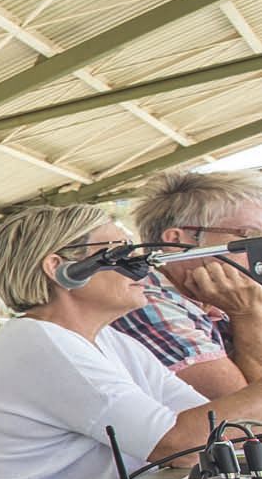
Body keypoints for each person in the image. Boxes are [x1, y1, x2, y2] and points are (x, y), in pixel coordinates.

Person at [0, 203, 262, 479]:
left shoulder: (113, 343)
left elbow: (207, 435)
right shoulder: (41, 343)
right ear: (61, 268)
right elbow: (174, 442)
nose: (143, 268)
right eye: (120, 252)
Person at [110, 170, 262, 397]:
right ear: (177, 241)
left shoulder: (219, 299)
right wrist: (248, 314)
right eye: (249, 235)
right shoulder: (142, 300)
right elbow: (243, 417)